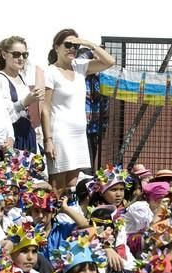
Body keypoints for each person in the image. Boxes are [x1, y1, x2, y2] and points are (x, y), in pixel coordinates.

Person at [41, 28, 115, 192]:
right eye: (68, 45)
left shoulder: (79, 67)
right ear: (56, 47)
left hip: (79, 133)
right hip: (59, 133)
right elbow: (45, 108)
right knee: (57, 186)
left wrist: (89, 44)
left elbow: (109, 62)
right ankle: (53, 216)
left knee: (72, 185)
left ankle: (67, 216)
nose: (72, 49)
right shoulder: (50, 72)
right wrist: (48, 140)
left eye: (75, 46)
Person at [0, 36, 44, 152]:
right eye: (16, 54)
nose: (21, 58)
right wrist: (25, 102)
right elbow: (1, 112)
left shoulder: (21, 77)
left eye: (24, 55)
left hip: (27, 134)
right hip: (12, 136)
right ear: (4, 55)